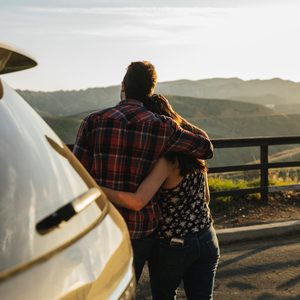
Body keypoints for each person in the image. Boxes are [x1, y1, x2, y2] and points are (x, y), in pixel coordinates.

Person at [73, 61, 214, 283]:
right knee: (128, 288)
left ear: (123, 86)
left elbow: (76, 174)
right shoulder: (164, 126)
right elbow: (205, 148)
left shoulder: (93, 122)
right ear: (150, 91)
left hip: (102, 224)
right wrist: (176, 119)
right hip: (141, 230)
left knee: (100, 289)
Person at [102, 94, 220, 299]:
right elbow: (206, 198)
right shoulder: (196, 158)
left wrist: (98, 189)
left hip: (174, 244)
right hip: (207, 237)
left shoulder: (168, 161)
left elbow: (138, 201)